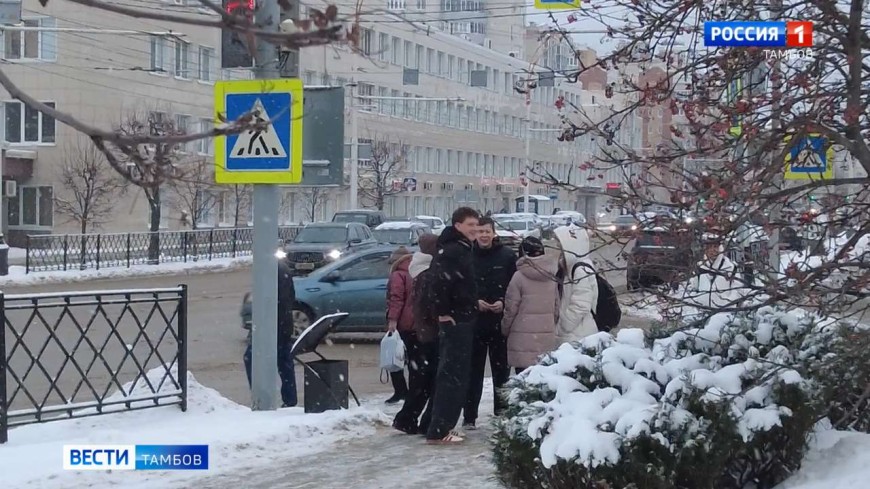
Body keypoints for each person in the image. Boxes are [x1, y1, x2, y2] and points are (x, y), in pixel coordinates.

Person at [426, 207, 480, 445]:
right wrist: (444, 313)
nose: (475, 230)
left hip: (462, 317)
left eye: (477, 226)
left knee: (455, 375)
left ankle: (442, 426)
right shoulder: (452, 251)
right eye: (470, 225)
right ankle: (439, 429)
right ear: (457, 225)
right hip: (456, 320)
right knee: (452, 376)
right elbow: (439, 285)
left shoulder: (460, 248)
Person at [462, 216, 516, 429]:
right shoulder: (467, 256)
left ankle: (501, 413)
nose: (483, 235)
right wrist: (475, 302)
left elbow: (514, 287)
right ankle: (469, 416)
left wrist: (503, 302)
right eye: (480, 231)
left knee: (501, 372)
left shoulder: (507, 256)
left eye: (487, 231)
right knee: (472, 372)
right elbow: (461, 288)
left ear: (494, 233)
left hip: (499, 323)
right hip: (474, 322)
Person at [393, 234, 440, 435]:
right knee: (424, 379)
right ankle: (408, 419)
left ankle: (410, 418)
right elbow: (402, 301)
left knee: (421, 378)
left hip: (416, 331)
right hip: (420, 332)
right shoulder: (426, 272)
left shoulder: (418, 269)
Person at [243, 257, 298, 407]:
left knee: (251, 357)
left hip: (271, 324)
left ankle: (261, 398)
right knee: (284, 361)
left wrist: (263, 320)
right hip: (283, 323)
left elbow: (268, 299)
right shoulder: (282, 267)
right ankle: (289, 400)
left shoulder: (270, 270)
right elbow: (291, 296)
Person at [502, 237, 560, 374]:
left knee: (523, 381)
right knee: (542, 380)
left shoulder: (518, 277)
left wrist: (504, 329)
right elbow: (556, 308)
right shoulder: (552, 276)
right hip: (545, 337)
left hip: (521, 338)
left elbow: (511, 309)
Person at [553, 224, 599, 344]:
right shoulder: (570, 267)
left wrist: (564, 326)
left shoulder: (580, 270)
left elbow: (581, 305)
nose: (558, 248)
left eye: (561, 245)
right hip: (574, 333)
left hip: (578, 335)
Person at [385, 246, 414, 404]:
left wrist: (392, 320)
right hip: (416, 324)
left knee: (394, 357)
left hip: (402, 323)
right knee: (413, 359)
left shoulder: (398, 275)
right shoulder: (415, 272)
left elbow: (396, 299)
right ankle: (415, 391)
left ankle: (400, 391)